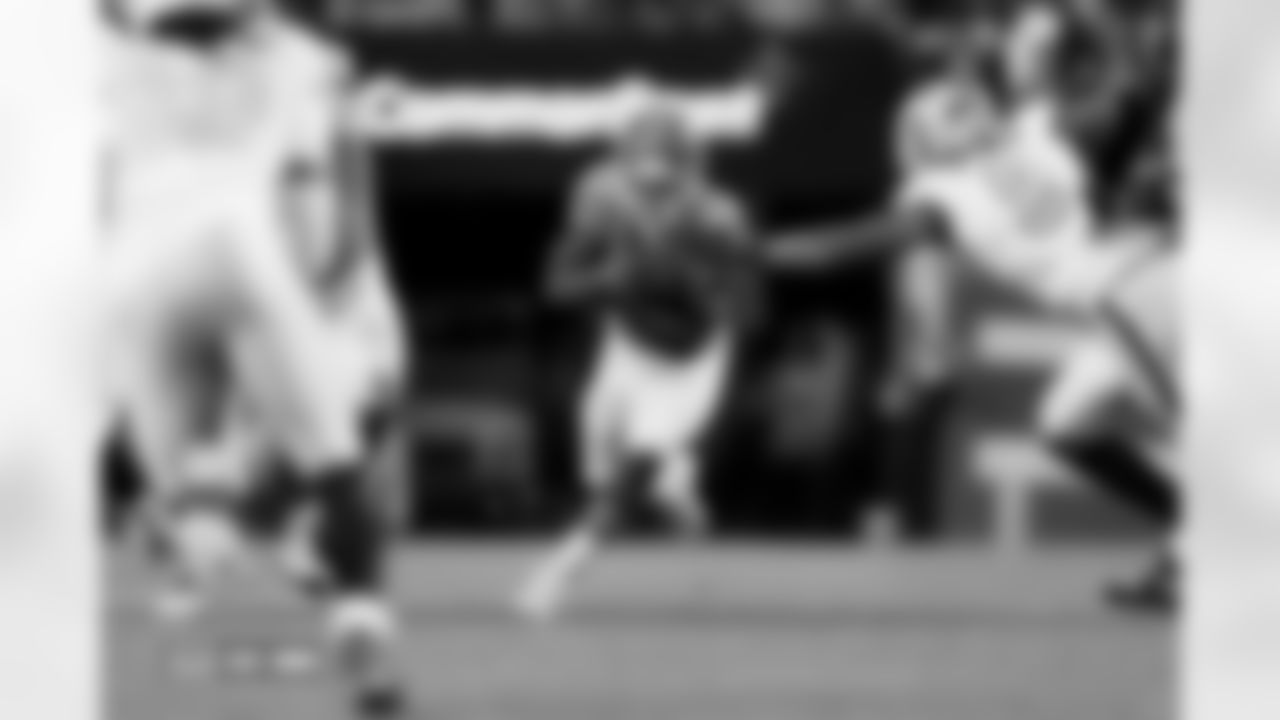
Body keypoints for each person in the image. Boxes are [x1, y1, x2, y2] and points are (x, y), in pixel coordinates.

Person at [767, 68, 1178, 612]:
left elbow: (835, 251)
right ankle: (1189, 539)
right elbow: (1121, 104)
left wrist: (753, 249)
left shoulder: (943, 193)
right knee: (1068, 423)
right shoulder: (1038, 127)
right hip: (1137, 284)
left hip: (1138, 295)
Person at [102, 0, 409, 713]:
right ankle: (364, 649)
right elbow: (315, 174)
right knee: (335, 470)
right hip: (234, 255)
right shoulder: (303, 59)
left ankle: (196, 525)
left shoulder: (107, 59)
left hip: (132, 275)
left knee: (196, 494)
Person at [516, 97, 761, 622]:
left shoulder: (718, 215)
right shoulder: (600, 200)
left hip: (689, 361)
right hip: (625, 346)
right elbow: (556, 286)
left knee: (629, 479)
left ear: (689, 167)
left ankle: (560, 572)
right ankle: (676, 471)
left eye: (666, 178)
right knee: (597, 476)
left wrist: (707, 290)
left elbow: (750, 309)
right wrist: (606, 281)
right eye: (644, 178)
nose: (655, 192)